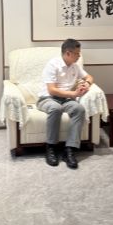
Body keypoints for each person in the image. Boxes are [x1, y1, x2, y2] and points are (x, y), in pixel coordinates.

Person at [37, 38, 94, 169]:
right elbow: (52, 90)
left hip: (66, 99)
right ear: (68, 53)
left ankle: (69, 150)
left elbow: (90, 77)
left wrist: (86, 83)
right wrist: (73, 94)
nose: (79, 56)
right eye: (77, 53)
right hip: (47, 99)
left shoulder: (75, 66)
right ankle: (51, 148)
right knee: (55, 108)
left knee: (79, 109)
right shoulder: (53, 65)